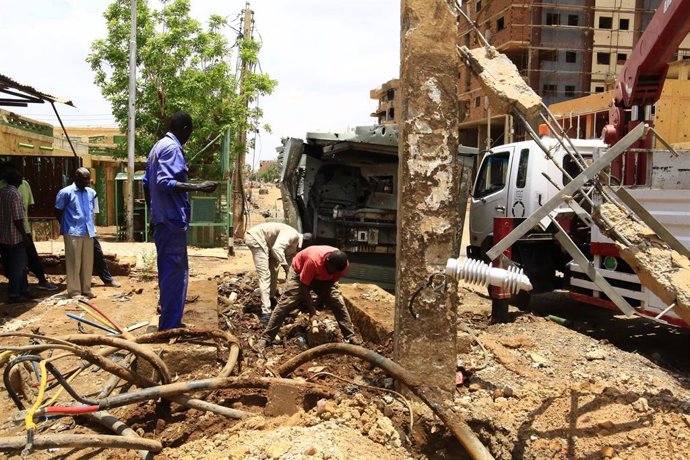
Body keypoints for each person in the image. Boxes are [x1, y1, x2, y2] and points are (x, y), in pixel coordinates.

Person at [143, 111, 217, 331]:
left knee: (167, 272)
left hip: (162, 220)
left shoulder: (157, 147)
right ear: (185, 129)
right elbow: (164, 182)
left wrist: (152, 214)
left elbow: (147, 184)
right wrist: (198, 187)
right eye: (189, 134)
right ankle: (170, 326)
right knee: (176, 275)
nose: (188, 138)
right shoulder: (173, 148)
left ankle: (167, 321)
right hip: (172, 220)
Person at [256, 245, 362, 350]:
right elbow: (304, 285)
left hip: (323, 279)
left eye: (334, 271)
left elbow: (330, 283)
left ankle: (350, 336)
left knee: (337, 301)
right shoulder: (313, 261)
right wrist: (312, 311)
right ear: (327, 261)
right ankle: (267, 338)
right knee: (286, 302)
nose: (332, 272)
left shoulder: (342, 267)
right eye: (330, 270)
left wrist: (318, 301)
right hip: (300, 273)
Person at [0, 162, 58, 291]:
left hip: (21, 229)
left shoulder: (24, 186)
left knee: (30, 258)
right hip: (14, 230)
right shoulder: (7, 189)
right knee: (12, 261)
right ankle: (17, 289)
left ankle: (36, 282)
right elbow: (17, 215)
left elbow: (26, 208)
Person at [244, 222, 312, 324]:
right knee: (265, 275)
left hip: (269, 244)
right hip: (256, 238)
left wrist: (292, 274)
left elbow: (289, 261)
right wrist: (285, 267)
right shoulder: (292, 235)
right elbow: (277, 249)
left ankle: (270, 298)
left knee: (274, 271)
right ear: (304, 243)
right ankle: (266, 313)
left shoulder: (295, 243)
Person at [55, 167, 98, 299]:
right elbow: (58, 211)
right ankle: (74, 291)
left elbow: (93, 212)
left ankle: (86, 289)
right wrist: (67, 225)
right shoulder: (65, 192)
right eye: (84, 179)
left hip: (88, 231)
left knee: (87, 262)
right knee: (74, 262)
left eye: (88, 178)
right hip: (72, 231)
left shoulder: (91, 193)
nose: (87, 181)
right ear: (76, 178)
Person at [0, 169, 31, 302]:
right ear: (18, 181)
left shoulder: (2, 192)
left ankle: (24, 290)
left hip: (4, 235)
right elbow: (18, 218)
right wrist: (24, 235)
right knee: (18, 266)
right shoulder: (15, 194)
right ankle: (14, 293)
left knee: (19, 264)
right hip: (15, 236)